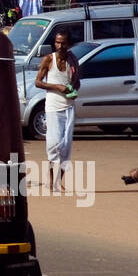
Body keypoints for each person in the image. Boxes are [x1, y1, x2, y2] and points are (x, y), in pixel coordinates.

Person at [35, 30, 79, 191]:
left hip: (69, 106)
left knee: (66, 146)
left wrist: (73, 89)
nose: (60, 46)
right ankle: (51, 181)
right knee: (53, 144)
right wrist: (57, 87)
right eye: (58, 42)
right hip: (53, 107)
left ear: (69, 44)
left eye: (63, 43)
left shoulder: (73, 60)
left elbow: (77, 81)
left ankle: (58, 182)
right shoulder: (48, 59)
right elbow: (38, 82)